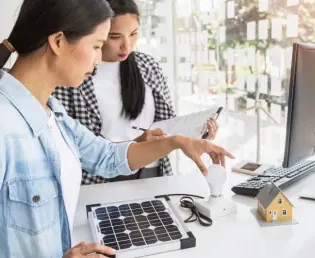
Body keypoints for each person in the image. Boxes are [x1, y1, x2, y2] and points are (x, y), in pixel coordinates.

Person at [0, 0, 233, 257]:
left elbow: (106, 156)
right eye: (97, 46)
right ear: (58, 42)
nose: (100, 59)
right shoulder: (5, 124)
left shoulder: (52, 111)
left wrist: (177, 141)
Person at [53, 0, 219, 184]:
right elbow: (73, 147)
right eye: (115, 36)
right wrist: (135, 144)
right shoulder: (73, 74)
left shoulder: (147, 65)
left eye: (134, 34)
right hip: (100, 179)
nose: (127, 45)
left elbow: (169, 125)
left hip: (153, 171)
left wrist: (199, 132)